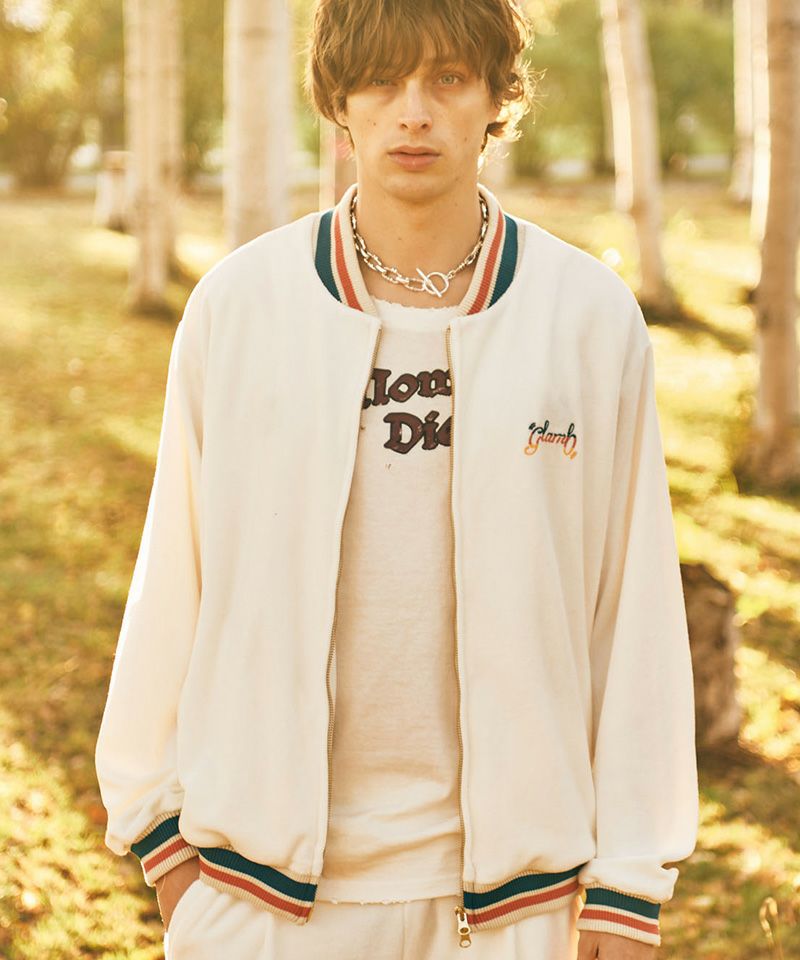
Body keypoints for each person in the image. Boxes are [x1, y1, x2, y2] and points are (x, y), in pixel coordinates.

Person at [94, 1, 699, 958]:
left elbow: (635, 610)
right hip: (259, 897)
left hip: (518, 906)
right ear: (339, 100)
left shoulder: (585, 316)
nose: (413, 111)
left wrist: (629, 879)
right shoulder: (240, 307)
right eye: (382, 79)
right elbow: (176, 573)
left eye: (448, 78)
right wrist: (160, 839)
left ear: (497, 97)